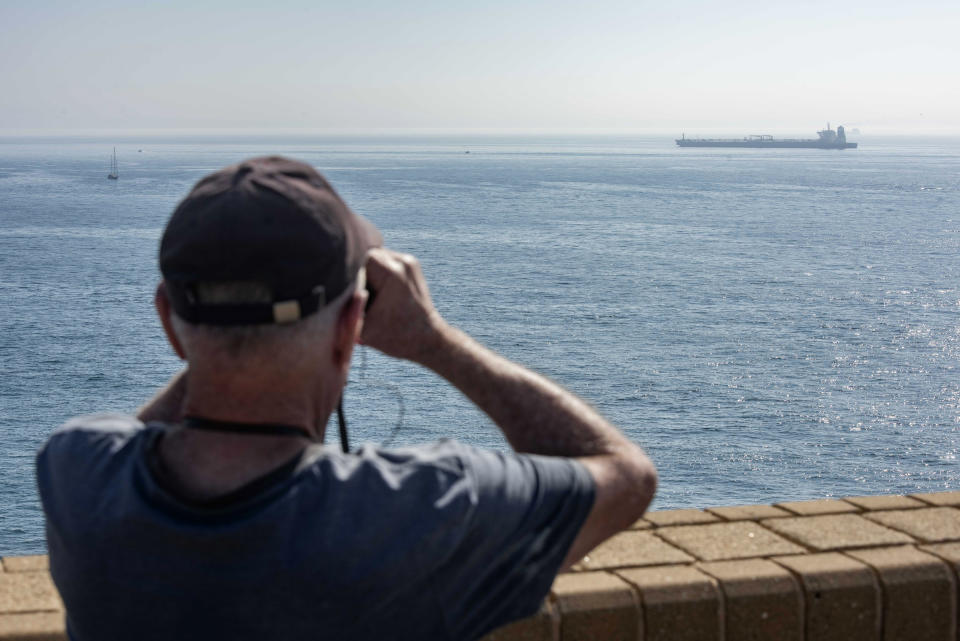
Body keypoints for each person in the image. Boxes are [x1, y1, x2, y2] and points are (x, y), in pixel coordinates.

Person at [37, 156, 656, 641]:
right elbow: (625, 476)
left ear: (168, 320)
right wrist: (435, 341)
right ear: (351, 326)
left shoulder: (76, 473)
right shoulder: (422, 513)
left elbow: (141, 434)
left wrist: (217, 338)